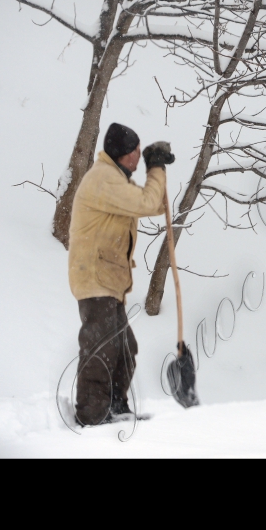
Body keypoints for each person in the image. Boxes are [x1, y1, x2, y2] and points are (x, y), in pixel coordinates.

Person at [68, 123, 175, 427]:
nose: (139, 157)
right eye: (136, 152)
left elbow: (152, 205)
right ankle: (92, 414)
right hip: (95, 279)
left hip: (107, 281)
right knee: (102, 347)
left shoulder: (115, 180)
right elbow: (148, 202)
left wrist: (157, 172)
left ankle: (115, 406)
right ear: (122, 154)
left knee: (125, 348)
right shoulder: (104, 179)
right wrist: (155, 167)